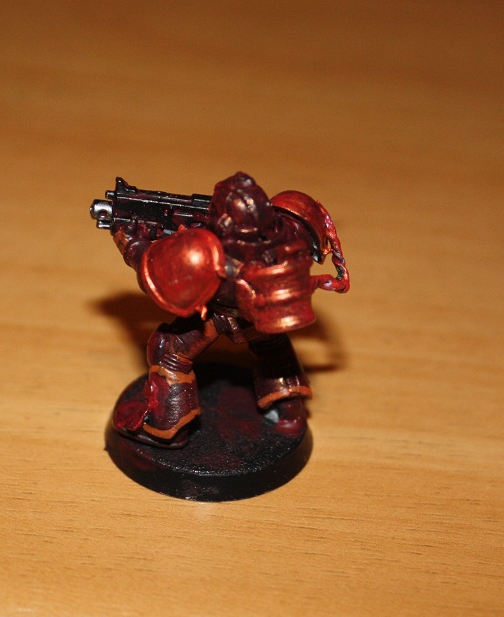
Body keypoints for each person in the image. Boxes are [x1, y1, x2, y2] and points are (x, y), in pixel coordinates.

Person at [110, 172, 348, 448]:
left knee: (169, 352)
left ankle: (168, 428)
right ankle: (290, 413)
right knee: (274, 349)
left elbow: (156, 275)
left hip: (218, 314)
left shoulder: (214, 253)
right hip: (264, 312)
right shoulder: (289, 233)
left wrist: (130, 242)